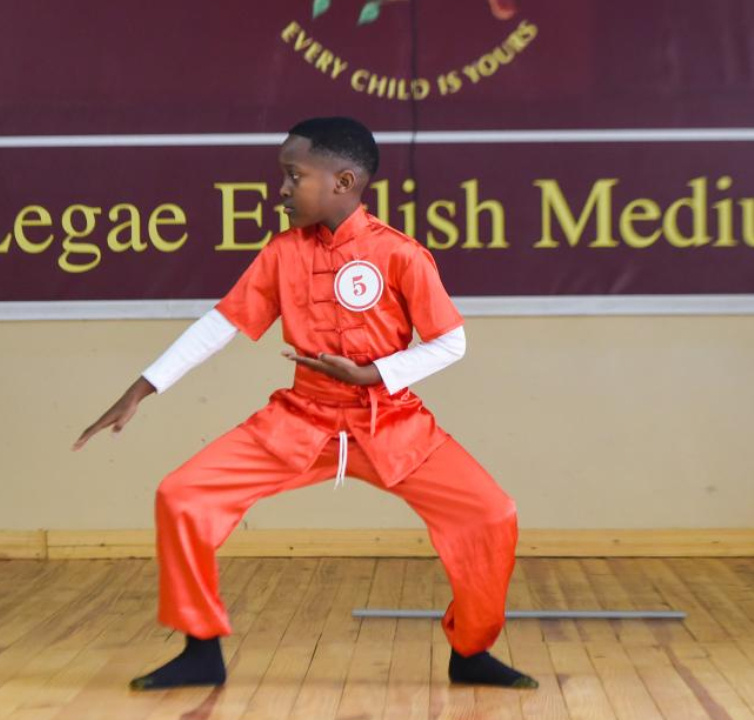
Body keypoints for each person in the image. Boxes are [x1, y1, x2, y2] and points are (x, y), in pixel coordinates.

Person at [73, 117, 536, 691]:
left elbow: (451, 342)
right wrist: (143, 387)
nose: (283, 190)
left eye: (294, 176)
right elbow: (220, 325)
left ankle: (471, 650)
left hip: (391, 423)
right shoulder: (282, 254)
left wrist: (373, 373)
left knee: (491, 515)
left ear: (343, 181)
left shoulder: (401, 255)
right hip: (300, 419)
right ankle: (200, 650)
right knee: (183, 497)